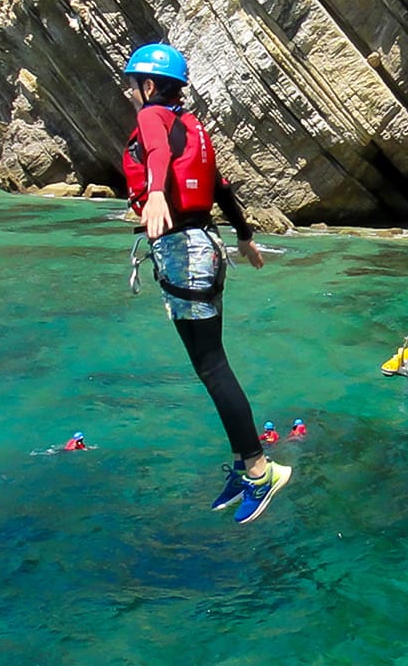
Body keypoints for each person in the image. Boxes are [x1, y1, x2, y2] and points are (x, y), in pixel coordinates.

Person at [122, 42, 290, 525]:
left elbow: (152, 149)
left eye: (134, 85)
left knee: (212, 366)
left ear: (149, 86)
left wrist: (155, 193)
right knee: (210, 364)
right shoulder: (191, 128)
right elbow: (219, 187)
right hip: (205, 246)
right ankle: (245, 464)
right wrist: (245, 236)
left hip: (185, 251)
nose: (131, 94)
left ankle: (260, 471)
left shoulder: (155, 118)